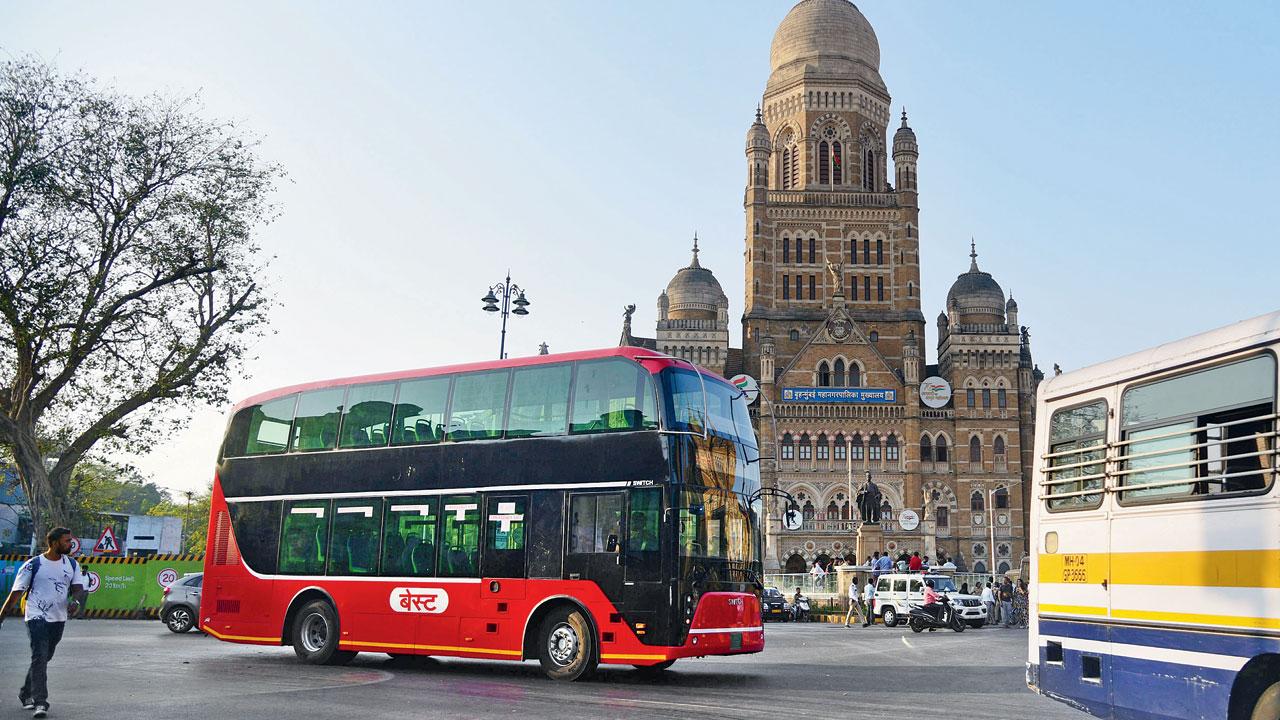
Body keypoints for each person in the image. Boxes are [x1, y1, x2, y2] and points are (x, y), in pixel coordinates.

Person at [0, 527, 86, 719]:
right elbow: (15, 594)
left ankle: (25, 692)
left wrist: (76, 602)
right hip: (36, 616)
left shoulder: (72, 565)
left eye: (70, 540)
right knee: (40, 655)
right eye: (66, 541)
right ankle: (40, 702)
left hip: (58, 618)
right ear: (54, 543)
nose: (70, 544)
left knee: (45, 657)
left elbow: (78, 589)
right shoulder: (33, 565)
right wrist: (1, 617)